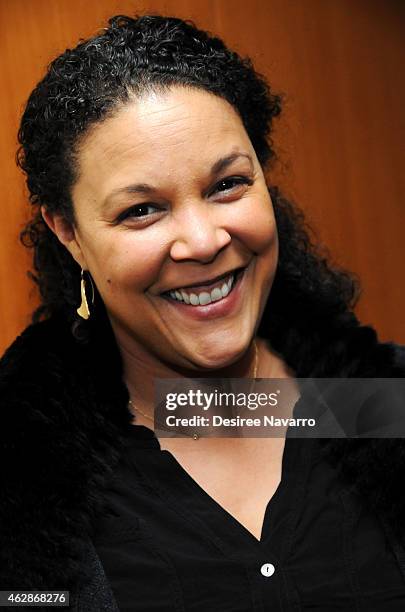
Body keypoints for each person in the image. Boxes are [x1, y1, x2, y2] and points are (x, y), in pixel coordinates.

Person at [0, 13, 404, 612]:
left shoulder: (381, 404)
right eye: (141, 210)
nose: (203, 240)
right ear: (68, 233)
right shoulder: (21, 476)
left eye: (227, 185)